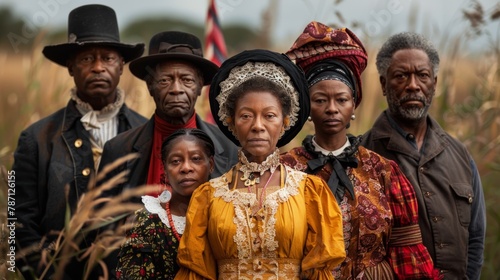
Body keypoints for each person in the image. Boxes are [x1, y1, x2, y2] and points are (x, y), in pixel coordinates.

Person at [281, 21, 440, 279]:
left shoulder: (383, 171)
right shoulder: (286, 169)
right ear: (307, 107)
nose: (332, 108)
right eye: (320, 100)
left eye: (341, 99)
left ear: (353, 104)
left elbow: (407, 253)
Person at [174, 49, 345, 279]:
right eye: (246, 116)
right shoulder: (208, 196)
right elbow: (196, 272)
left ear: (284, 122)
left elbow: (319, 272)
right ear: (231, 123)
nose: (257, 125)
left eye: (269, 115)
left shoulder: (309, 192)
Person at [12, 4, 146, 278]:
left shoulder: (145, 132)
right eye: (86, 59)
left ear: (121, 66)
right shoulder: (35, 138)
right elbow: (18, 219)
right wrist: (45, 273)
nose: (98, 67)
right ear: (71, 67)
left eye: (108, 58)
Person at [361, 32, 486, 279]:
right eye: (401, 76)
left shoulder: (460, 155)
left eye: (422, 75)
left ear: (435, 84)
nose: (413, 85)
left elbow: (476, 237)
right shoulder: (363, 156)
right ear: (384, 84)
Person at [99, 31, 238, 196]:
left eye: (187, 80)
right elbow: (102, 218)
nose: (176, 89)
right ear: (150, 86)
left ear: (200, 86)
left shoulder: (230, 149)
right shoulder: (118, 150)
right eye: (165, 80)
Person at [115, 128, 215, 279]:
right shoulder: (146, 221)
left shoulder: (224, 215)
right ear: (165, 170)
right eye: (176, 161)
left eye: (195, 158)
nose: (186, 168)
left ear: (211, 165)